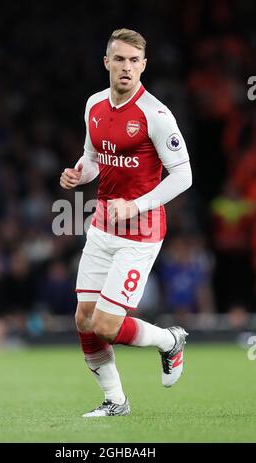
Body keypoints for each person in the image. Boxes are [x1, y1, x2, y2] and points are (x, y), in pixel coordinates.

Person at [60, 28, 192, 417]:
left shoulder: (156, 114)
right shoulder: (94, 105)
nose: (126, 67)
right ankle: (115, 401)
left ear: (144, 66)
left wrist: (135, 207)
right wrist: (76, 174)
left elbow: (183, 176)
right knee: (83, 319)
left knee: (104, 324)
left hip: (142, 233)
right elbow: (92, 158)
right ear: (107, 63)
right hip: (102, 227)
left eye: (134, 61)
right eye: (119, 59)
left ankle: (169, 340)